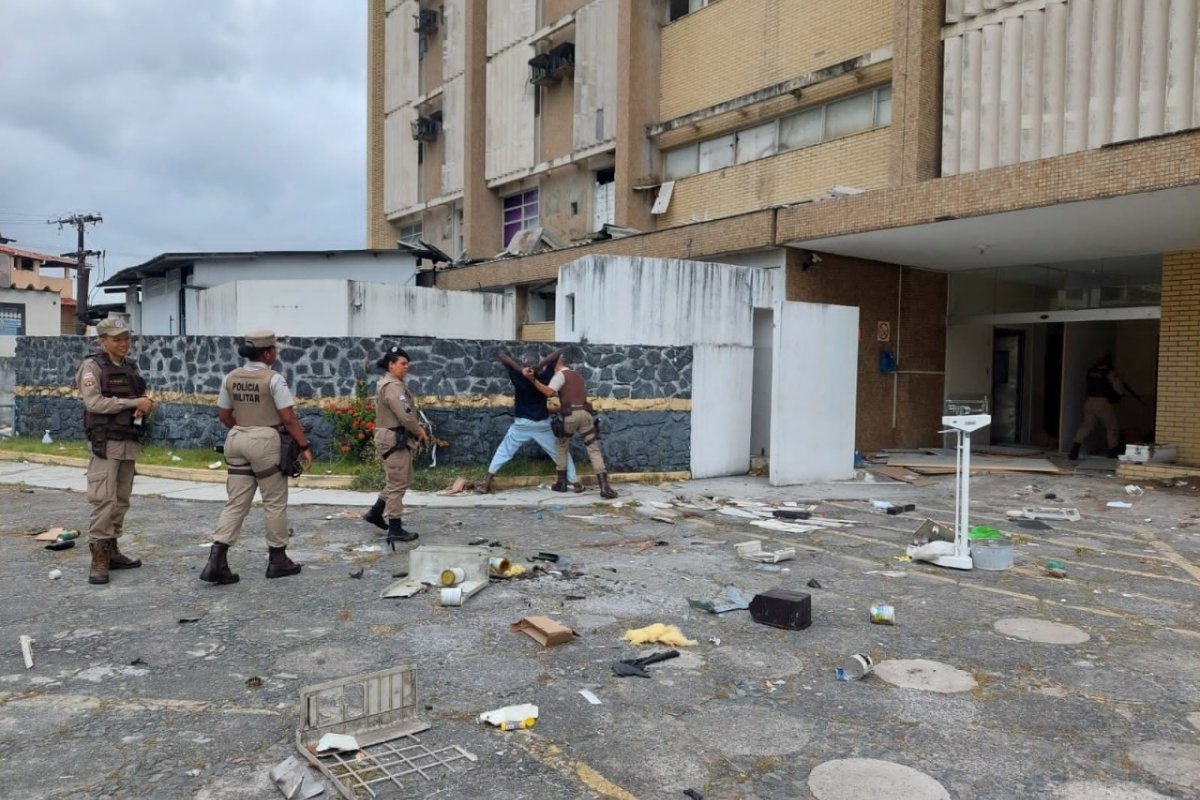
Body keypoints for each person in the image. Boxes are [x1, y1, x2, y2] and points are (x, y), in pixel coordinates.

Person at [200, 330, 312, 584]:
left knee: (236, 502)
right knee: (274, 501)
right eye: (274, 349)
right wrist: (303, 444)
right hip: (265, 440)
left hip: (236, 438)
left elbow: (224, 415)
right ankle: (278, 559)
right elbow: (287, 417)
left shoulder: (231, 377)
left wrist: (244, 428)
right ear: (268, 353)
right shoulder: (274, 379)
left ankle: (216, 560)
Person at [78, 317, 153, 585]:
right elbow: (94, 403)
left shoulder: (130, 367)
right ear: (103, 341)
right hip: (105, 444)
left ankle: (112, 549)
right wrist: (132, 401)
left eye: (126, 338)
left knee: (121, 500)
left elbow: (139, 396)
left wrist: (145, 405)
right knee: (104, 499)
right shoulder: (92, 367)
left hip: (128, 440)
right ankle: (98, 556)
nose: (124, 343)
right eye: (117, 339)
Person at [478, 349, 581, 494]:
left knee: (504, 451)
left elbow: (502, 355)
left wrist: (520, 369)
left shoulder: (518, 377)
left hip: (522, 424)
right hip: (542, 424)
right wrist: (539, 367)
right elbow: (557, 354)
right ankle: (575, 482)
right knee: (560, 452)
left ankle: (487, 483)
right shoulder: (544, 377)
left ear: (524, 364)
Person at [525, 349, 618, 499]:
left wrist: (533, 380)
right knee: (593, 449)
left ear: (556, 364)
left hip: (570, 416)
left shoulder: (560, 375)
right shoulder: (577, 375)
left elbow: (549, 392)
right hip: (586, 414)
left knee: (562, 445)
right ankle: (604, 487)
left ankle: (561, 482)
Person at [361, 346, 427, 547]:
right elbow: (405, 415)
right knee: (398, 482)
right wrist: (419, 431)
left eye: (407, 364)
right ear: (391, 364)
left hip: (392, 436)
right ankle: (395, 528)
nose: (406, 367)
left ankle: (375, 512)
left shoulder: (392, 383)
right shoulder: (393, 387)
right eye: (402, 364)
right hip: (393, 438)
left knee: (402, 478)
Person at [1069, 354, 1127, 460]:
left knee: (1086, 427)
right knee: (1112, 427)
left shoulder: (1091, 371)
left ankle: (1074, 450)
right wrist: (1121, 392)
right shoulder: (1110, 372)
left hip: (1090, 401)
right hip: (1103, 403)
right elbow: (1119, 389)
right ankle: (1113, 452)